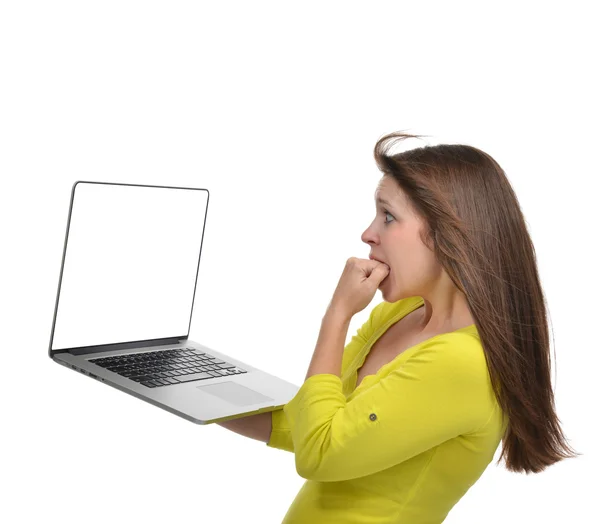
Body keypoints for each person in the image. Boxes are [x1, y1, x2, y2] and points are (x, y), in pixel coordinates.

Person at [218, 130, 581, 523]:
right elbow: (310, 421)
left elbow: (319, 451)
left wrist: (337, 316)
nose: (368, 234)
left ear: (447, 234)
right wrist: (197, 394)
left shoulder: (461, 362)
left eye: (388, 216)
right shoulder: (397, 315)